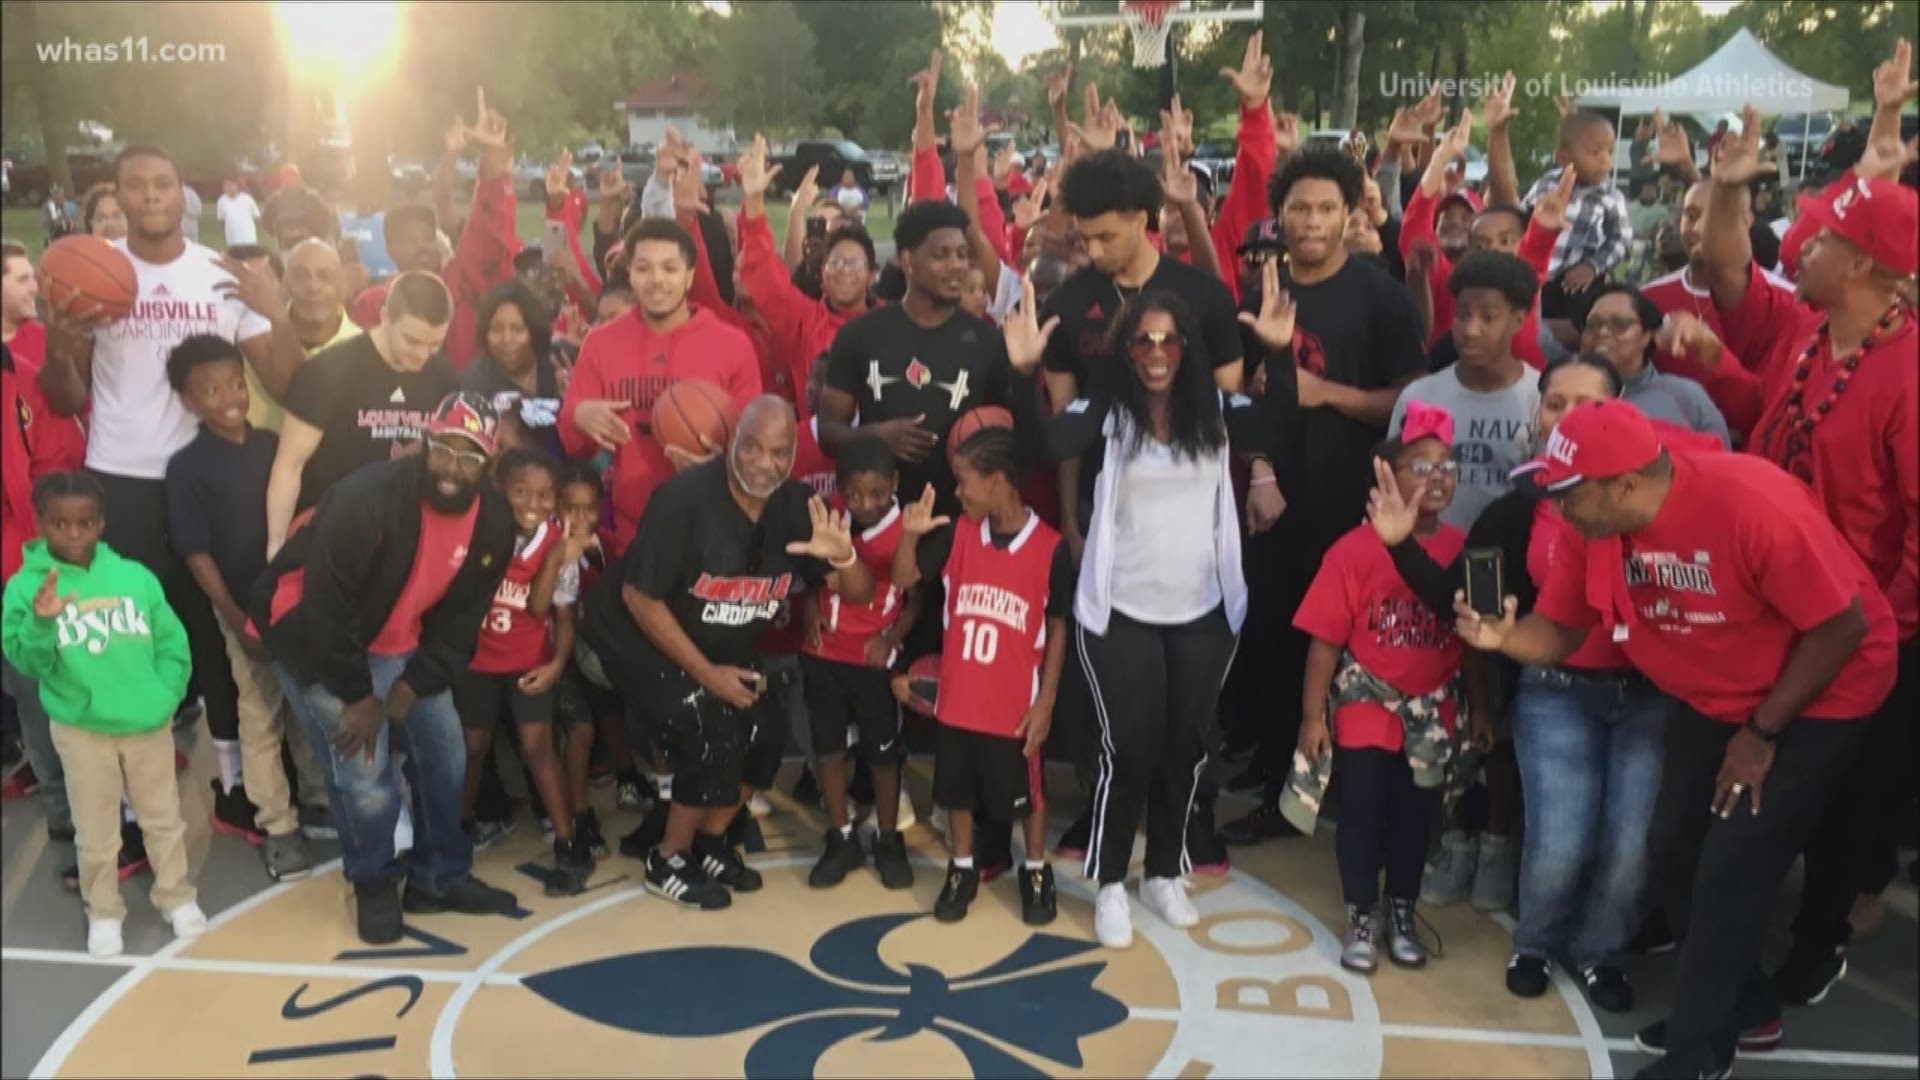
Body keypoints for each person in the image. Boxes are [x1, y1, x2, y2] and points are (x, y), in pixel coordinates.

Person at [1457, 399, 1897, 1080]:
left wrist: (1761, 733)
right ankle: (1740, 1000)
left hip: (1820, 691)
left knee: (1734, 858)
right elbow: (1562, 633)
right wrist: (1502, 637)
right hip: (1713, 690)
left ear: (1626, 486)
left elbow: (1843, 625)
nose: (1558, 509)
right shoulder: (1591, 526)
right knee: (1670, 844)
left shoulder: (1751, 503)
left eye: (1569, 494)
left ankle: (1698, 1051)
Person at [1370, 353, 1685, 1013]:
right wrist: (1400, 545)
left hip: (1650, 696)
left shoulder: (1672, 500)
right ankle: (1535, 944)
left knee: (1629, 847)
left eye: (1585, 403)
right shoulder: (1520, 514)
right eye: (1553, 402)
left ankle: (1598, 952)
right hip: (1558, 692)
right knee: (1558, 843)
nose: (1565, 415)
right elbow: (1470, 608)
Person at [1703, 95, 1918, 1007]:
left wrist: (1875, 631)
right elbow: (1727, 271)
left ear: (1866, 264)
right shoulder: (1806, 334)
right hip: (1785, 616)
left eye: (1822, 238)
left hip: (1867, 638)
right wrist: (1722, 189)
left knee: (1841, 810)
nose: (1801, 246)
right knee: (1769, 800)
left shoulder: (1908, 372)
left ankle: (1815, 944)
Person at [37, 143, 299, 870]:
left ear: (184, 191)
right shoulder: (95, 271)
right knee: (121, 645)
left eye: (163, 182)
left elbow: (284, 376)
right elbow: (64, 396)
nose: (150, 194)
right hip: (119, 475)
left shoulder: (215, 273)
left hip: (204, 478)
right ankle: (125, 817)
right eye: (135, 185)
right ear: (116, 194)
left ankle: (236, 787)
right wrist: (63, 333)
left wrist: (271, 310)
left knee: (212, 638)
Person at [1044, 292, 1274, 946]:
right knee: (1132, 747)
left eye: (1169, 341)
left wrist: (1278, 357)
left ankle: (1164, 871)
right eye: (1142, 341)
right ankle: (1111, 880)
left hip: (1202, 611)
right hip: (1122, 612)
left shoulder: (1216, 408)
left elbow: (1276, 425)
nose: (1155, 354)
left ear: (1187, 349)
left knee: (1184, 745)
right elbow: (1050, 439)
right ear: (1125, 348)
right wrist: (1018, 369)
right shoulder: (1109, 410)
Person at [580, 397, 871, 911]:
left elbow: (861, 592)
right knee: (708, 728)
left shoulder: (801, 510)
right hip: (633, 633)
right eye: (752, 447)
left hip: (712, 637)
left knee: (765, 730)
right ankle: (667, 859)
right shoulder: (684, 500)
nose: (764, 463)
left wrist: (844, 557)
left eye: (779, 452)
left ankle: (711, 841)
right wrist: (708, 676)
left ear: (794, 453)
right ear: (732, 440)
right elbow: (639, 598)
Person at [254, 392, 520, 945]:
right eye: (444, 450)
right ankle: (374, 881)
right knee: (364, 772)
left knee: (446, 749)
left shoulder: (493, 520)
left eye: (470, 457)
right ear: (425, 443)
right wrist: (359, 698)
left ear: (488, 463)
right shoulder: (368, 498)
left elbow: (460, 622)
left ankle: (440, 878)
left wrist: (406, 691)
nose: (453, 469)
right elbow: (328, 608)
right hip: (314, 635)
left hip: (402, 639)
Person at [1221, 149, 1427, 843]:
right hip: (1275, 502)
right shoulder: (1261, 293)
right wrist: (1259, 471)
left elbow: (1407, 403)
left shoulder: (1381, 296)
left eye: (1326, 208)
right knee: (1277, 643)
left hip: (1355, 506)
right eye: (1299, 208)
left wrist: (1325, 394)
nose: (1311, 221)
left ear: (1352, 214)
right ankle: (1280, 790)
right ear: (1279, 215)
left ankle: (1345, 788)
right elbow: (1242, 399)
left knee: (1348, 651)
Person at [1291, 403, 1473, 974]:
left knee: (1416, 817)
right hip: (1368, 705)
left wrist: (1485, 710)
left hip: (1432, 710)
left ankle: (1402, 910)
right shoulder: (1353, 549)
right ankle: (1361, 914)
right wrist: (1312, 717)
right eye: (1421, 466)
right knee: (1363, 811)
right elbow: (1324, 641)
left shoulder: (1464, 546)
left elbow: (1477, 644)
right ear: (1387, 476)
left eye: (1447, 466)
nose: (1437, 477)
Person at [2, 471, 205, 958]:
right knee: (95, 828)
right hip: (81, 729)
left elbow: (172, 642)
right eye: (60, 524)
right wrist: (41, 622)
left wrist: (165, 697)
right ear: (41, 523)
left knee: (162, 818)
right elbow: (26, 663)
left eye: (85, 523)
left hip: (146, 724)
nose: (74, 534)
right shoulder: (24, 588)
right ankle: (104, 910)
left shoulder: (134, 577)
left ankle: (175, 896)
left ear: (102, 523)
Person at [892, 428, 1072, 926]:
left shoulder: (1050, 548)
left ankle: (1035, 869)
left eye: (964, 482)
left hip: (1014, 707)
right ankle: (963, 868)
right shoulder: (957, 535)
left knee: (1030, 797)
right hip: (958, 702)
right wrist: (911, 533)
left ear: (997, 482)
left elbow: (1058, 628)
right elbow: (903, 579)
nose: (958, 492)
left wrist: (1047, 701)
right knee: (957, 794)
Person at [162, 335, 309, 880]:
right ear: (188, 400)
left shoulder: (273, 446)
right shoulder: (187, 467)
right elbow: (195, 553)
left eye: (235, 384)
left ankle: (316, 802)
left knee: (307, 708)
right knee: (260, 712)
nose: (229, 397)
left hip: (294, 604)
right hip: (243, 612)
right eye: (211, 389)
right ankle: (278, 824)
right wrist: (231, 615)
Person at [819, 201, 1046, 520]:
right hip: (880, 521)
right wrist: (876, 436)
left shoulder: (986, 341)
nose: (957, 265)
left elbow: (1027, 440)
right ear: (908, 260)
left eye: (962, 254)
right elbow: (827, 432)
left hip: (961, 520)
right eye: (941, 255)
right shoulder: (860, 335)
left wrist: (1025, 372)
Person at [559, 218, 761, 553]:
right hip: (633, 529)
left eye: (670, 268)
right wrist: (580, 416)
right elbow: (574, 445)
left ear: (690, 275)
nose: (657, 280)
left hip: (710, 524)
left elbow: (752, 446)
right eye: (644, 268)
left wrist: (721, 464)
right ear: (630, 275)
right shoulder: (601, 343)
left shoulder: (732, 345)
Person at [453, 448, 595, 896]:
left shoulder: (558, 541)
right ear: (501, 490)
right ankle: (460, 832)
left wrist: (556, 666)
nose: (532, 503)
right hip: (477, 659)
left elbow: (550, 613)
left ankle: (570, 845)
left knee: (538, 748)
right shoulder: (479, 530)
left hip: (530, 662)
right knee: (472, 747)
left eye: (544, 495)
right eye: (521, 492)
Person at [2, 241, 90, 880]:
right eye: (19, 275)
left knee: (86, 665)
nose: (31, 284)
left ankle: (100, 801)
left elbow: (68, 403)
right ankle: (64, 809)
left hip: (70, 529)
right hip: (19, 554)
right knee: (33, 685)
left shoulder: (37, 343)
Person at [265, 271, 461, 557]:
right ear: (385, 317)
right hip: (332, 528)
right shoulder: (328, 371)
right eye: (412, 340)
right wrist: (276, 545)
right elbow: (289, 464)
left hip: (402, 535)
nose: (422, 354)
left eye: (435, 344)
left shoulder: (444, 377)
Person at [801, 435, 918, 891]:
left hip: (871, 657)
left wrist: (892, 637)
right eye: (853, 494)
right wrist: (811, 600)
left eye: (876, 493)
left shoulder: (906, 527)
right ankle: (841, 836)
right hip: (823, 652)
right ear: (839, 489)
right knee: (829, 749)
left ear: (894, 483)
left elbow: (916, 599)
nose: (864, 504)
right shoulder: (831, 517)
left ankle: (888, 839)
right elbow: (814, 571)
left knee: (883, 755)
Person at [349, 89, 520, 371]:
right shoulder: (373, 304)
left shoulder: (460, 282)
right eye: (410, 240)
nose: (423, 247)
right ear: (390, 249)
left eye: (427, 237)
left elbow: (488, 230)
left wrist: (492, 159)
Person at [1388, 251, 1541, 530]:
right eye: (1462, 315)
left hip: (1508, 559)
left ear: (1518, 319)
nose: (1471, 330)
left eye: (1488, 317)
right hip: (1427, 558)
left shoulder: (1540, 399)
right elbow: (1394, 488)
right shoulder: (1419, 397)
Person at [1637, 179, 1794, 439]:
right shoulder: (1648, 298)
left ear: (1746, 221)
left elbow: (1773, 406)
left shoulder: (1786, 303)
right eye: (1691, 215)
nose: (1700, 228)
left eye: (1716, 217)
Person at [735, 137, 878, 418]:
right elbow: (765, 272)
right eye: (835, 261)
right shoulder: (803, 320)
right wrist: (754, 201)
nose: (844, 269)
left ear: (872, 276)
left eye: (854, 263)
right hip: (814, 451)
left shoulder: (891, 321)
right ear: (822, 274)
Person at [1573, 284, 1730, 443]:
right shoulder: (1561, 394)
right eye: (1593, 324)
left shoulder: (1684, 396)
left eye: (1619, 324)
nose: (1602, 332)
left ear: (1646, 336)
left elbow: (1725, 463)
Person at [1522, 111, 1630, 325]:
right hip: (1537, 275)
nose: (1605, 160)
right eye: (1595, 152)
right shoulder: (1545, 186)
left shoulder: (1610, 196)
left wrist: (1592, 266)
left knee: (1576, 322)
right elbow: (1521, 218)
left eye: (1610, 151)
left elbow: (1621, 240)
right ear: (1564, 158)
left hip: (1577, 281)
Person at [462, 280, 562, 459]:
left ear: (534, 331)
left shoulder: (561, 364)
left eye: (517, 329)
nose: (506, 339)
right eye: (496, 329)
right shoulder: (474, 382)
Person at [217, 177, 261, 249]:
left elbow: (256, 216)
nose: (227, 188)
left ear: (236, 185)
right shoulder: (221, 201)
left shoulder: (247, 198)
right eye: (225, 186)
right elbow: (222, 220)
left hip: (248, 237)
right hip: (232, 239)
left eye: (230, 185)